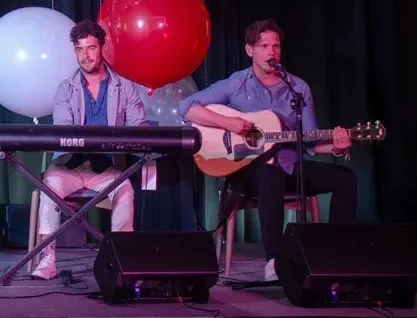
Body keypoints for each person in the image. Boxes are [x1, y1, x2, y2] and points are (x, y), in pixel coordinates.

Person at [178, 19, 355, 282]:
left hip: (291, 166)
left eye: (276, 46)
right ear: (250, 50)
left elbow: (311, 141)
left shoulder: (297, 88)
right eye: (264, 46)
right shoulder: (237, 83)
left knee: (345, 179)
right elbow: (187, 107)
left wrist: (338, 147)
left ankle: (337, 254)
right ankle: (274, 261)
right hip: (248, 171)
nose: (271, 52)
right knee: (269, 172)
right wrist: (230, 123)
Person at [32, 20, 147, 280]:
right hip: (69, 166)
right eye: (79, 49)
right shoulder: (66, 88)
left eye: (91, 48)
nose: (85, 56)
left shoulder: (125, 87)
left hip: (106, 168)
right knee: (49, 188)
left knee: (125, 190)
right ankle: (47, 259)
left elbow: (138, 128)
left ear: (102, 48)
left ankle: (119, 258)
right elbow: (64, 129)